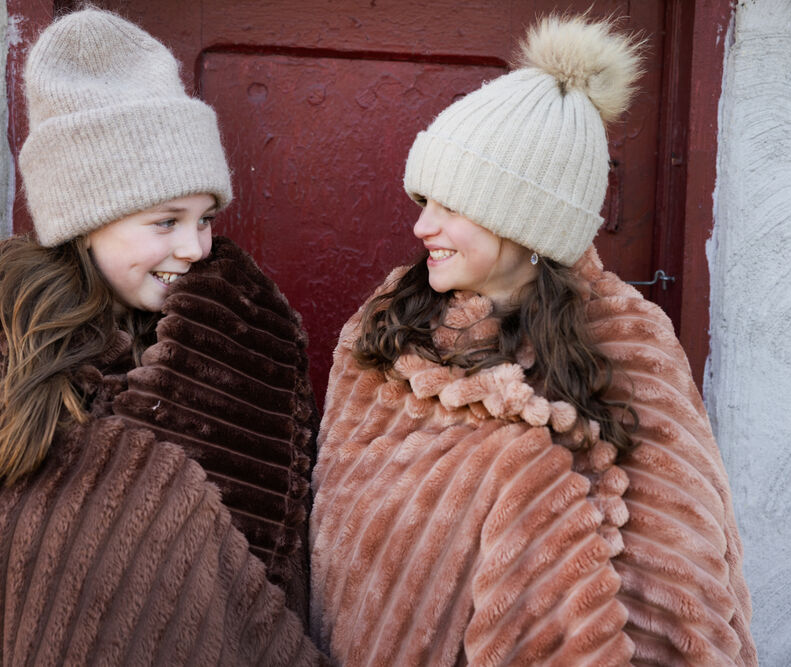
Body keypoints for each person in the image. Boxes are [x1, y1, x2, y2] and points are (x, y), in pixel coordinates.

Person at [310, 15, 756, 666]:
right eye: (425, 200)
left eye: (451, 206)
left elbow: (679, 576)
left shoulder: (630, 346)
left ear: (526, 221)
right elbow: (343, 533)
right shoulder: (389, 326)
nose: (422, 225)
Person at [0, 9, 323, 665]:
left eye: (205, 217)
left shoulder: (244, 334)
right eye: (166, 221)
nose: (196, 247)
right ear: (88, 219)